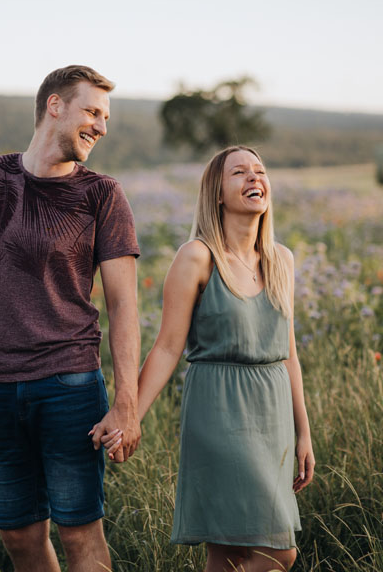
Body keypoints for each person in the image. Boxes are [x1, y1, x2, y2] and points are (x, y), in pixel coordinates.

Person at [0, 65, 141, 572]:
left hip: (70, 387)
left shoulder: (102, 194)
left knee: (80, 535)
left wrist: (126, 403)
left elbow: (123, 305)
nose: (101, 126)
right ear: (55, 106)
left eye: (105, 116)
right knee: (18, 537)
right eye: (92, 111)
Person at [100, 146, 315, 571]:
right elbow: (166, 347)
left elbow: (288, 354)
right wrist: (130, 417)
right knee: (279, 553)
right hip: (219, 412)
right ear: (217, 193)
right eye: (239, 173)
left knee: (228, 553)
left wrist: (303, 432)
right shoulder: (196, 257)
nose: (254, 178)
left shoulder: (282, 261)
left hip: (273, 419)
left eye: (260, 171)